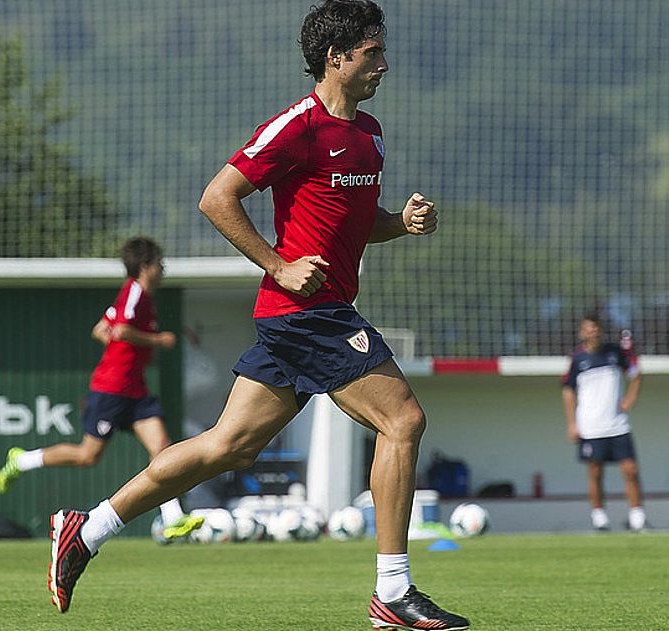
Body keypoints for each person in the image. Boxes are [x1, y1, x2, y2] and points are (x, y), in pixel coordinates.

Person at [46, 2, 470, 629]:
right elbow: (217, 197)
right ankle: (393, 592)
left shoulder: (370, 133)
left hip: (305, 315)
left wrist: (400, 225)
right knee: (403, 420)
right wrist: (278, 265)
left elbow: (354, 224)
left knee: (226, 447)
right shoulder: (296, 127)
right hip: (307, 313)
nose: (385, 62)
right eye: (373, 51)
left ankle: (89, 528)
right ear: (337, 57)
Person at [0, 236, 202, 542]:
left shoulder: (135, 296)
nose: (163, 269)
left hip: (136, 391)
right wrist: (159, 340)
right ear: (145, 266)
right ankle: (22, 460)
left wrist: (128, 338)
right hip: (112, 389)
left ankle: (172, 518)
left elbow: (101, 329)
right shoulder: (134, 292)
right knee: (87, 455)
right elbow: (119, 329)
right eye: (160, 264)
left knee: (162, 448)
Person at [562, 313, 647, 532]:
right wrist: (572, 423)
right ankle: (599, 518)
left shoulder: (615, 353)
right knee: (595, 472)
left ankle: (637, 518)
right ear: (582, 332)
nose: (593, 331)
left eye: (596, 327)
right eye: (589, 328)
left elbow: (636, 374)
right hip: (590, 427)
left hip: (617, 425)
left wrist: (630, 398)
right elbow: (568, 391)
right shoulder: (578, 360)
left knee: (630, 470)